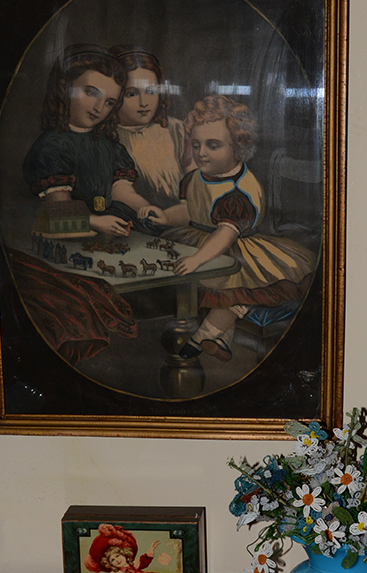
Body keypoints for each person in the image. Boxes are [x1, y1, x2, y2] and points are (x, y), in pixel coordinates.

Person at [147, 95, 316, 363]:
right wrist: (166, 217)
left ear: (239, 147)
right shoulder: (194, 177)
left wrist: (197, 259)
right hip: (199, 238)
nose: (201, 153)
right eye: (196, 144)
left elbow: (225, 233)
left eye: (213, 146)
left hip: (232, 245)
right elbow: (190, 211)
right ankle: (222, 341)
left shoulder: (239, 190)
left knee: (234, 290)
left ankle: (201, 338)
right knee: (209, 291)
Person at [22, 44, 155, 237]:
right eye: (92, 93)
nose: (99, 107)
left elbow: (123, 193)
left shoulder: (110, 146)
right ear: (65, 88)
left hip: (112, 223)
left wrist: (147, 209)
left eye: (109, 102)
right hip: (71, 228)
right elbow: (58, 206)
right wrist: (96, 222)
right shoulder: (52, 147)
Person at [109, 45, 194, 214]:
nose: (144, 102)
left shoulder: (175, 129)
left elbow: (194, 175)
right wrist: (148, 211)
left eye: (151, 91)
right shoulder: (110, 139)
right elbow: (120, 191)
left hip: (187, 213)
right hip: (143, 219)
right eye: (132, 94)